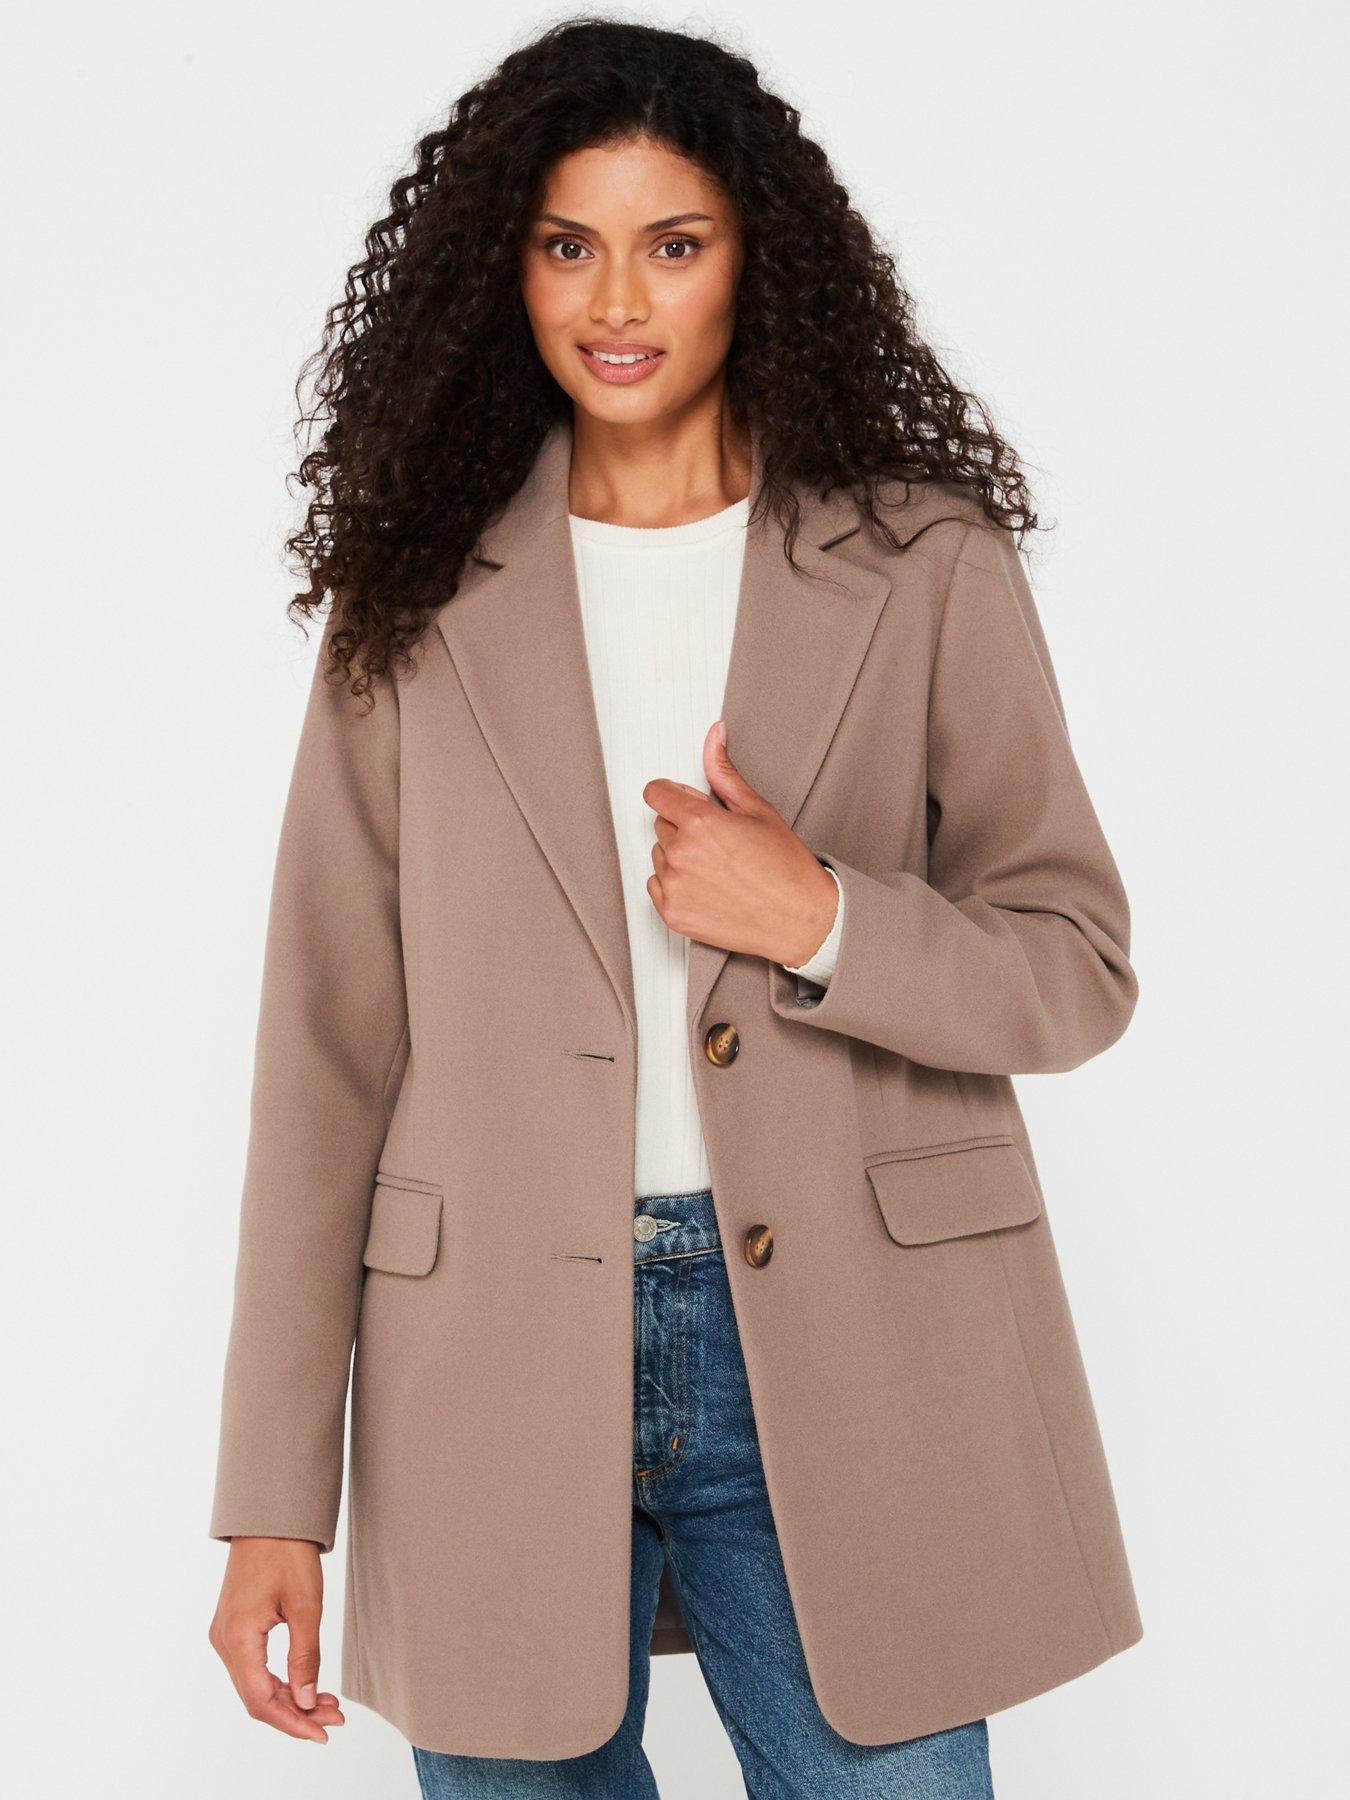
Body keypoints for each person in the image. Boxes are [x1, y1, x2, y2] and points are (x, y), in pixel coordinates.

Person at [208, 18, 1142, 1797]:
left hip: (847, 1340)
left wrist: (822, 918)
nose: (615, 300)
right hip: (485, 1354)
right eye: (567, 244)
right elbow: (323, 1055)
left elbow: (1074, 968)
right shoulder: (413, 592)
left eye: (673, 243)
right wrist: (273, 1497)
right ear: (504, 268)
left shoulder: (919, 562)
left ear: (753, 262)